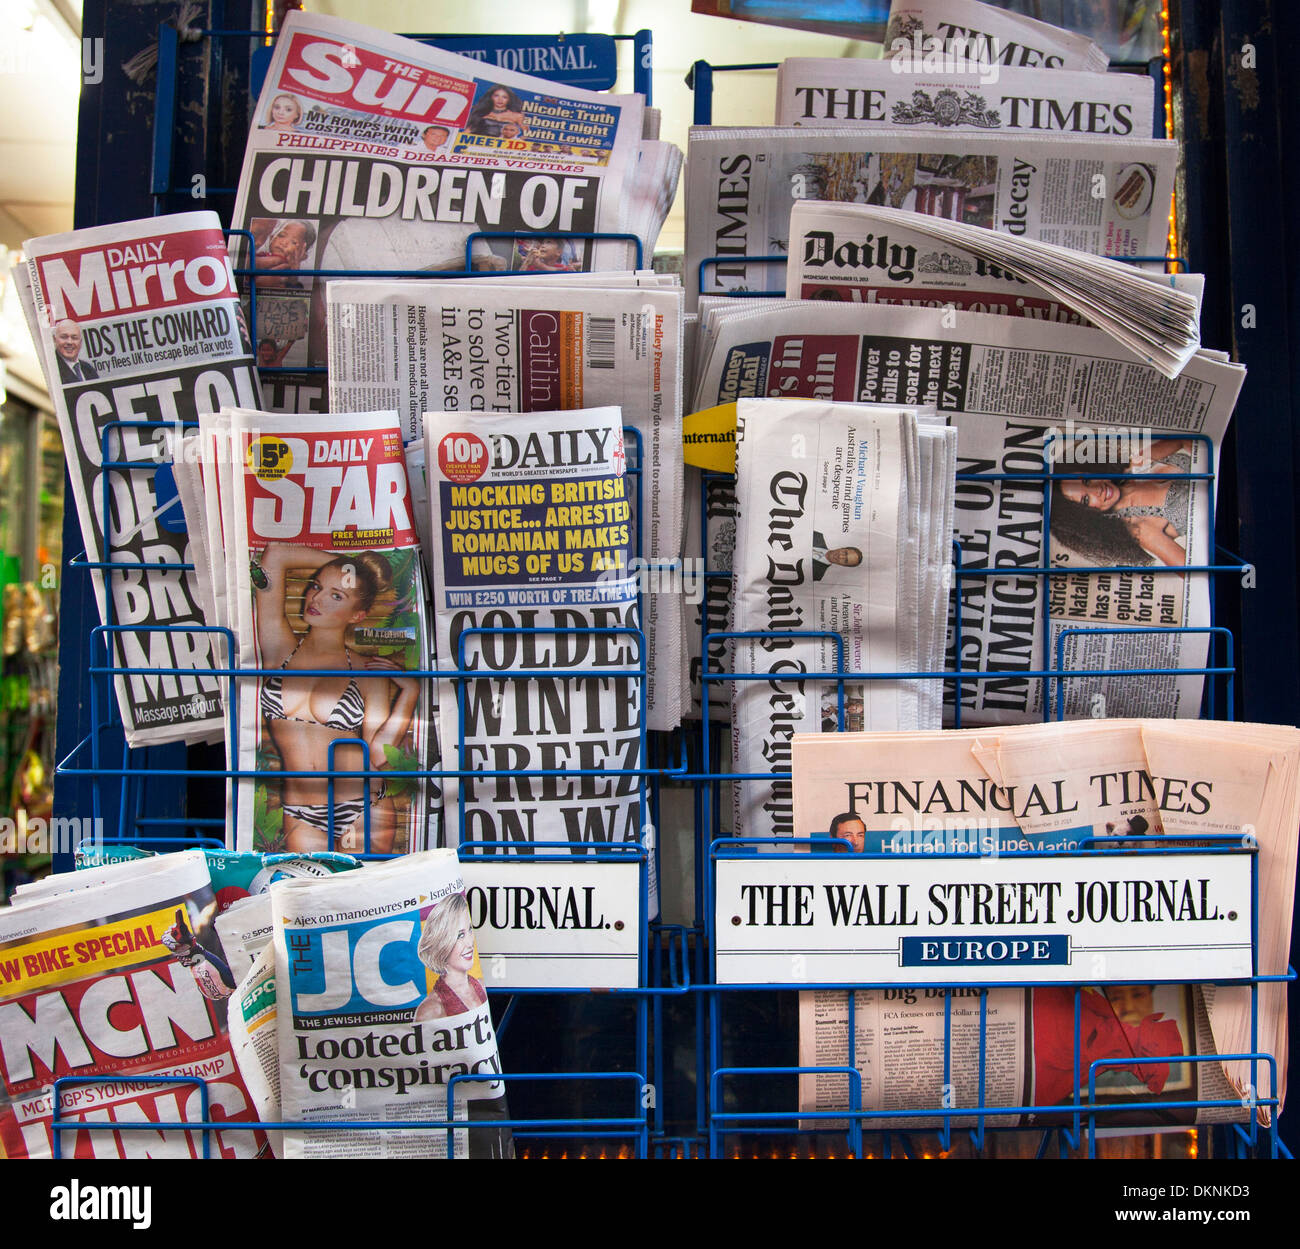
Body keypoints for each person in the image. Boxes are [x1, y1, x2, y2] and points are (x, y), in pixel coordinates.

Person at [254, 543, 418, 854]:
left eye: (336, 595)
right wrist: (350, 567)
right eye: (317, 586)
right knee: (307, 900)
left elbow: (378, 755)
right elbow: (275, 555)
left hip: (359, 808)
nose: (315, 598)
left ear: (358, 614)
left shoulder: (365, 671)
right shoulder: (280, 650)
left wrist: (410, 692)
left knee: (362, 899)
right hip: (300, 812)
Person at [1049, 439, 1195, 569]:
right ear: (1084, 517)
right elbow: (1191, 571)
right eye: (1086, 499)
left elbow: (1183, 441)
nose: (1096, 490)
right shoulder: (1140, 529)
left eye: (1087, 481)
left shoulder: (1135, 465)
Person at [415, 893, 486, 1021]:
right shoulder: (431, 1010)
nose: (470, 942)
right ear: (442, 941)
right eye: (460, 935)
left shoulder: (480, 985)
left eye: (470, 930)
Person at [254, 220, 316, 290]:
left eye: (294, 242)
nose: (284, 243)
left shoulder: (289, 270)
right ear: (272, 237)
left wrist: (293, 277)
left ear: (303, 254)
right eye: (281, 235)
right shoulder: (257, 257)